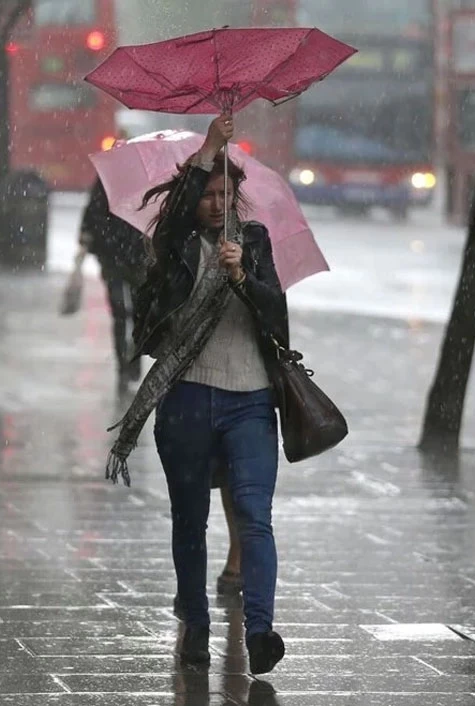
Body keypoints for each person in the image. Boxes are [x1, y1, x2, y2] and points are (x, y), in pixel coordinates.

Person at [106, 113, 290, 674]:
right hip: (187, 400)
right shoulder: (177, 245)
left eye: (224, 193)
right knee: (190, 519)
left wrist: (244, 280)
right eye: (207, 193)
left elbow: (279, 320)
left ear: (238, 198)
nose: (215, 202)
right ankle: (195, 627)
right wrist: (210, 148)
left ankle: (260, 631)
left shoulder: (254, 243)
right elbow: (175, 226)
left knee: (255, 517)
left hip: (251, 401)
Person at [77, 176, 150, 389]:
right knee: (120, 311)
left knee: (138, 312)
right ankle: (122, 366)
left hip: (138, 258)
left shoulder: (147, 183)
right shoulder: (107, 180)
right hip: (113, 257)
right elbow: (93, 211)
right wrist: (89, 234)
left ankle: (133, 358)